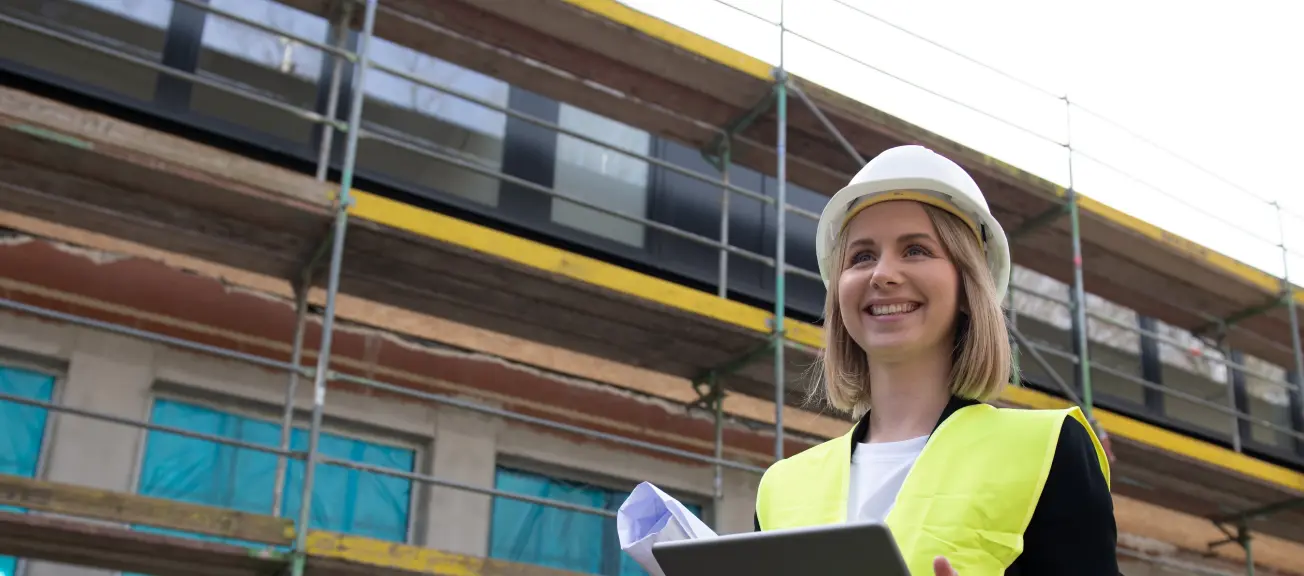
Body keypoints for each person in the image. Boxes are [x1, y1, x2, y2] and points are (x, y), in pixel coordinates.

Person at [752, 145, 1117, 575]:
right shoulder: (780, 489)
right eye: (861, 256)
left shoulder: (1049, 450)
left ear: (968, 287)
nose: (882, 274)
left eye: (916, 250)